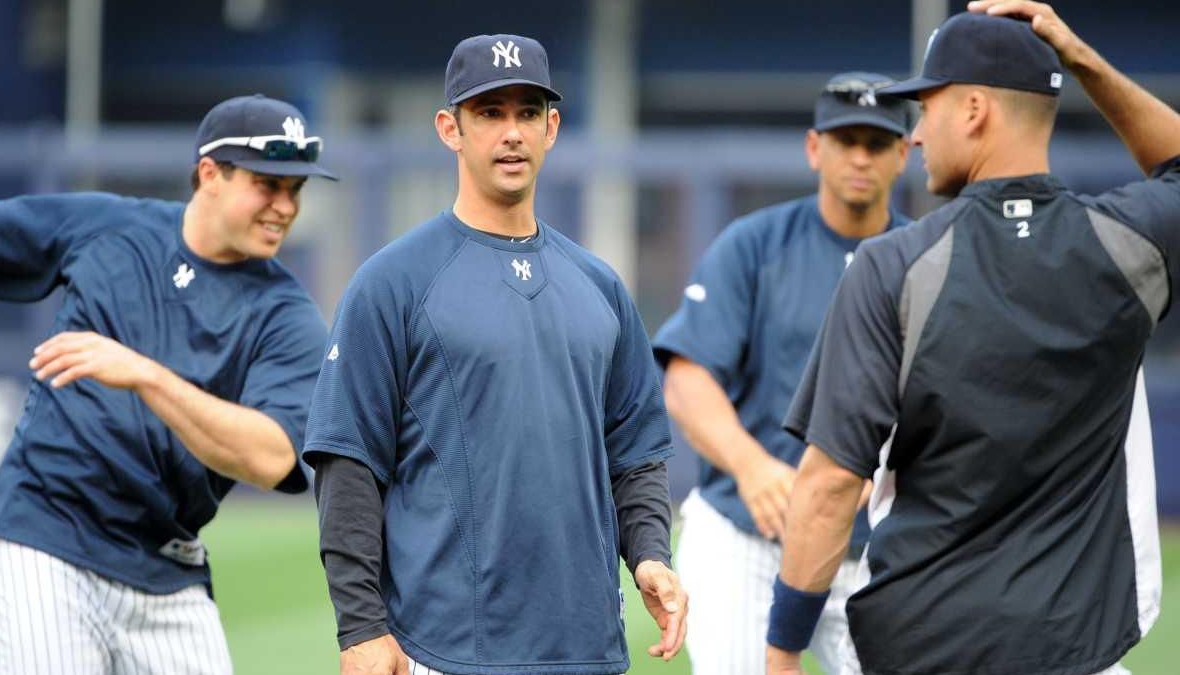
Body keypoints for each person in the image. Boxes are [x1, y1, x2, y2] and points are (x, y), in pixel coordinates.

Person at [766, 2, 1180, 674]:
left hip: (922, 648)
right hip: (1075, 651)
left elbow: (829, 486)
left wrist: (783, 648)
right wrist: (1081, 59)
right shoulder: (1127, 244)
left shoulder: (890, 265)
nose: (919, 134)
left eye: (928, 107)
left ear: (975, 109)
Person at [303, 34, 687, 675]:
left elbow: (636, 455)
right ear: (450, 128)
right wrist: (360, 628)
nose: (511, 132)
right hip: (446, 648)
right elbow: (348, 466)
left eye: (526, 112)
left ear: (552, 127)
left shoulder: (599, 286)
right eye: (489, 112)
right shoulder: (391, 281)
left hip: (587, 647)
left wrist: (650, 555)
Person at [0, 94, 335, 674]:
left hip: (166, 566)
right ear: (209, 174)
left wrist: (147, 376)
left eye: (295, 189)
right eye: (267, 184)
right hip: (43, 539)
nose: (284, 205)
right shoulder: (109, 229)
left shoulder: (286, 314)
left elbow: (273, 457)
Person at [654, 72, 911, 675]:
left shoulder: (924, 255)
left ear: (904, 154)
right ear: (814, 147)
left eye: (876, 143)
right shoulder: (756, 243)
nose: (860, 156)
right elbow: (686, 380)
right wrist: (751, 466)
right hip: (747, 535)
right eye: (846, 139)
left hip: (875, 547)